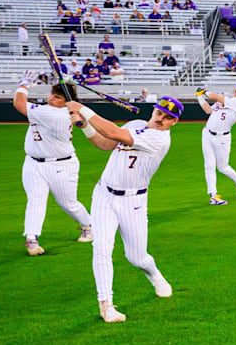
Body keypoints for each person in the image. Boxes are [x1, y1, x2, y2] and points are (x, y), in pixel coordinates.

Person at [67, 95, 183, 323]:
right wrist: (82, 124)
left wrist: (83, 108)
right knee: (101, 248)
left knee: (137, 257)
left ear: (173, 123)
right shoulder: (136, 125)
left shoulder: (159, 139)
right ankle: (106, 305)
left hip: (134, 201)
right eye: (160, 113)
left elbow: (112, 133)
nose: (161, 119)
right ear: (154, 110)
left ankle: (155, 275)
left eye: (168, 117)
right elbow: (105, 143)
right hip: (104, 194)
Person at [12, 72, 93, 255]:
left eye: (57, 97)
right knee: (35, 200)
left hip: (62, 165)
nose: (51, 99)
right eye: (52, 94)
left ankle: (88, 225)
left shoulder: (54, 114)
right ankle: (31, 239)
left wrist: (25, 84)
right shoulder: (51, 110)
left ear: (66, 102)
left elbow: (19, 103)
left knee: (68, 203)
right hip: (33, 163)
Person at [197, 84, 236, 204]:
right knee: (209, 166)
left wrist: (205, 92)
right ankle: (213, 195)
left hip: (222, 137)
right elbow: (208, 110)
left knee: (223, 167)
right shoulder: (226, 100)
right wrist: (199, 97)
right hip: (207, 134)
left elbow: (214, 96)